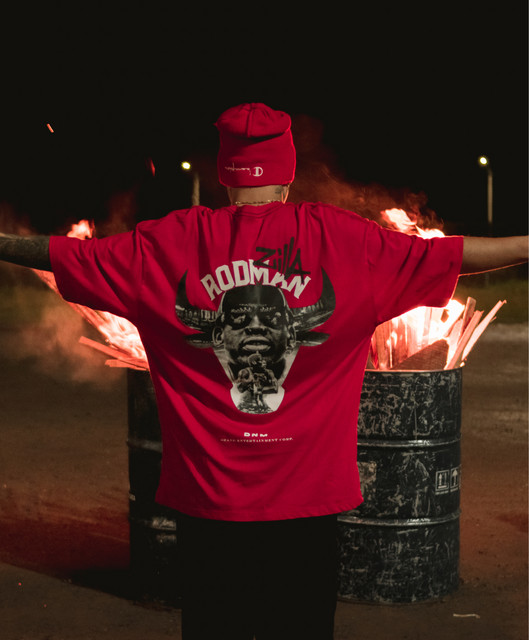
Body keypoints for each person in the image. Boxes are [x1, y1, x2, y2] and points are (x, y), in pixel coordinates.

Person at [0, 102, 527, 640]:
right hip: (308, 511)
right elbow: (457, 256)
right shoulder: (347, 241)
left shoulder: (164, 244)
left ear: (225, 176)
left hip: (208, 511)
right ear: (288, 173)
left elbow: (61, 256)